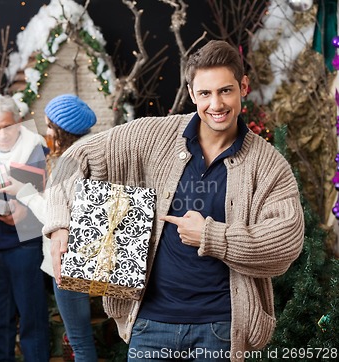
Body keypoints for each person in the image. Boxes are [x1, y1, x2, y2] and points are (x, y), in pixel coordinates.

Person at [43, 40, 304, 361]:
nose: (216, 104)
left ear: (243, 87)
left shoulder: (267, 164)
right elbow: (73, 158)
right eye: (205, 94)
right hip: (150, 324)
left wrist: (211, 237)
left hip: (221, 328)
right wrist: (59, 225)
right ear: (192, 94)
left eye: (225, 91)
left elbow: (285, 245)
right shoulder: (155, 135)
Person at [5, 94, 99, 361]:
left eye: (49, 126)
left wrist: (22, 191)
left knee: (79, 343)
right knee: (81, 341)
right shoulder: (89, 154)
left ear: (62, 129)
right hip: (81, 259)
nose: (46, 133)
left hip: (67, 261)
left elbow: (57, 217)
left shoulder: (70, 163)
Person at [0, 94, 50, 362]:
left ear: (18, 121)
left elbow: (50, 198)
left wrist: (25, 214)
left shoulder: (36, 148)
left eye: (8, 126)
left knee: (32, 321)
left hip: (26, 246)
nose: (3, 134)